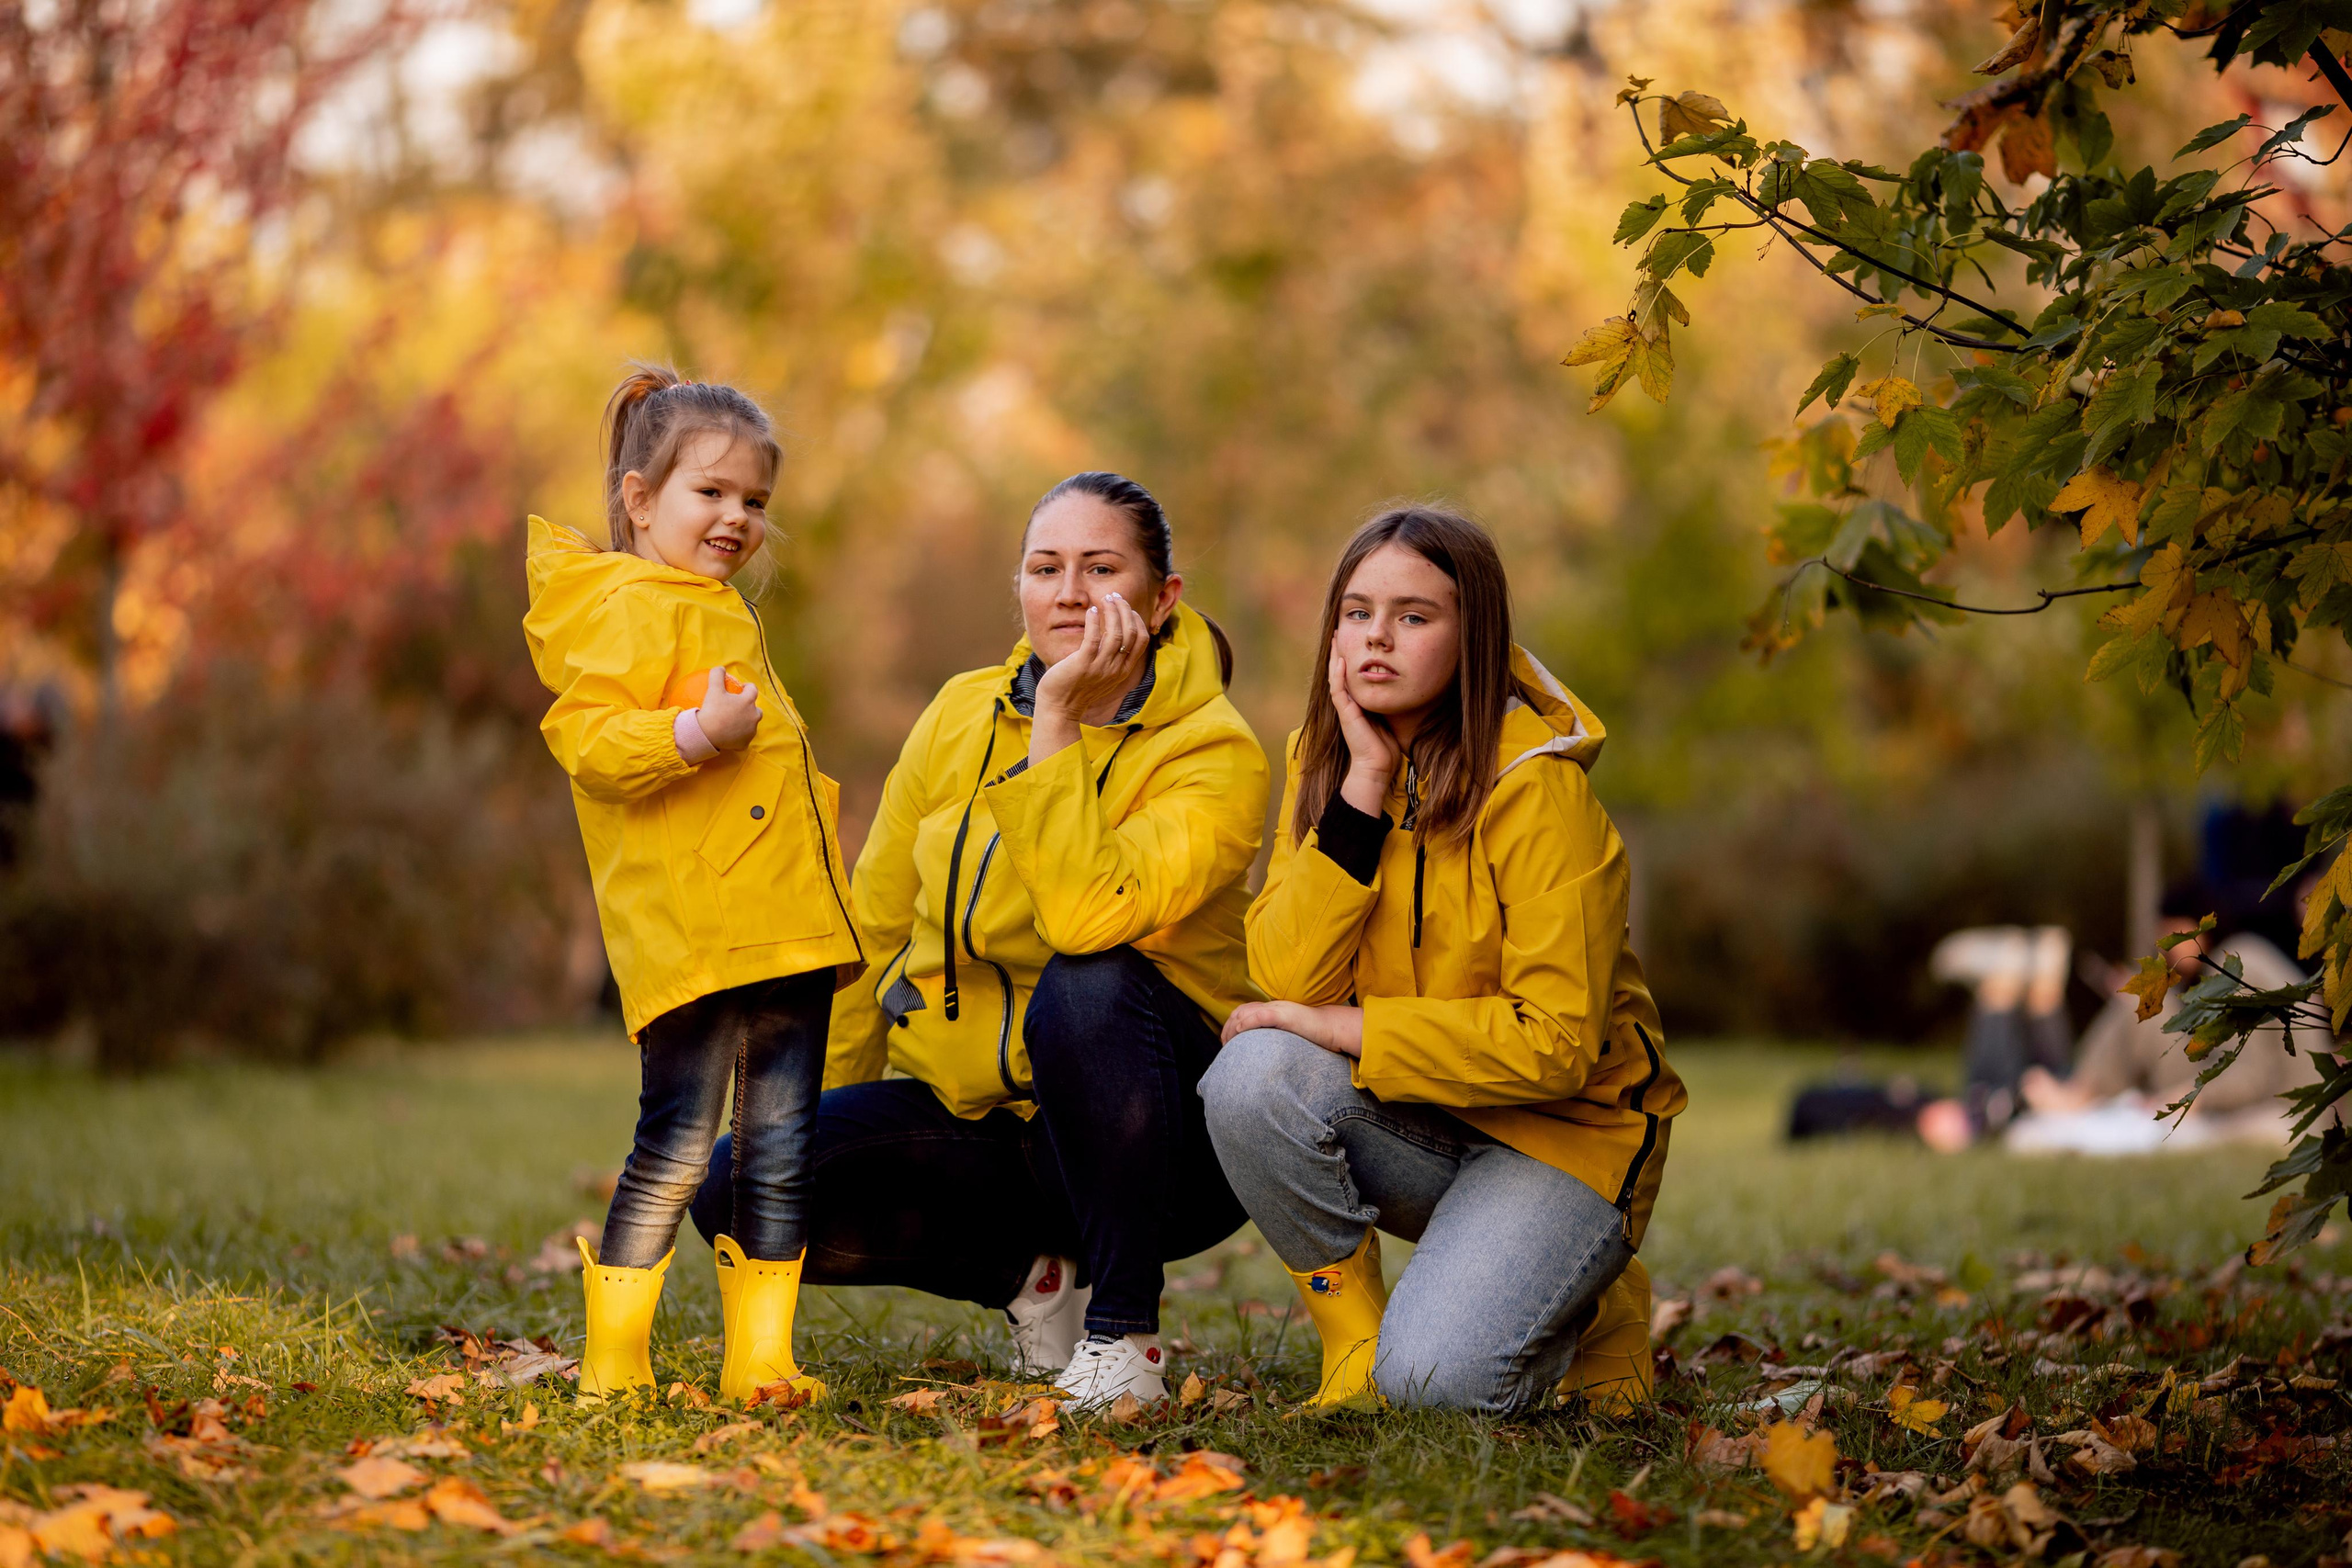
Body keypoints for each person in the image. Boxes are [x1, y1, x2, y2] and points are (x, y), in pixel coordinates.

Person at [690, 471, 1267, 1410]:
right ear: (1021, 588)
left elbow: (1089, 920)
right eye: (1046, 568)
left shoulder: (1213, 752)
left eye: (1101, 568)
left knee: (1087, 980)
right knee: (737, 1183)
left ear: (1163, 599)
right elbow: (872, 928)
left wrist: (1057, 722)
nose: (1070, 592)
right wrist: (812, 1125)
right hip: (987, 1132)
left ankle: (1124, 1336)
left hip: (1164, 1148)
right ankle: (1034, 1284)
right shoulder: (958, 712)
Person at [1201, 505, 1683, 1415]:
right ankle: (1355, 1346)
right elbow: (1287, 979)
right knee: (1249, 1075)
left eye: (1414, 617)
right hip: (1418, 1116)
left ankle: (1593, 1306)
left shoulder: (1538, 792)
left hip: (1562, 1139)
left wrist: (1340, 1027)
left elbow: (1554, 1046)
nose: (1376, 636)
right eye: (1356, 612)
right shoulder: (1326, 763)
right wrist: (1361, 793)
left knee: (1437, 1387)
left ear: (1474, 639)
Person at [524, 366, 864, 1404]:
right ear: (639, 497)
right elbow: (588, 743)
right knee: (674, 1145)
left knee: (781, 1150)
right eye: (708, 493)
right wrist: (690, 734)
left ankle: (759, 1358)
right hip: (699, 936)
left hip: (785, 934)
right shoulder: (628, 604)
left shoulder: (713, 606)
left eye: (754, 501)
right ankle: (614, 1359)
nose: (736, 518)